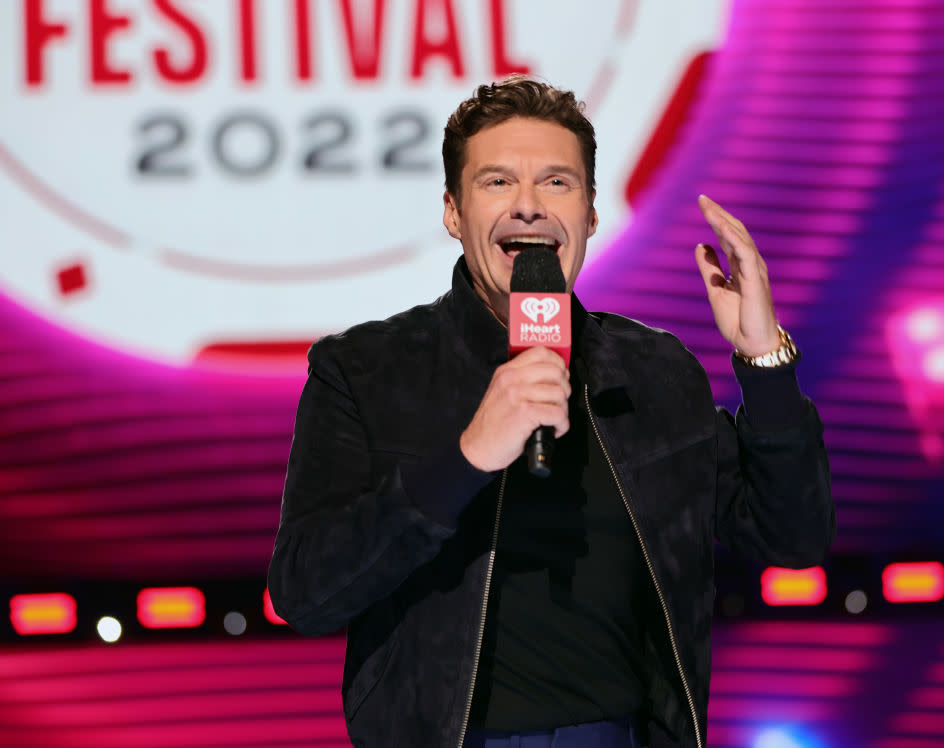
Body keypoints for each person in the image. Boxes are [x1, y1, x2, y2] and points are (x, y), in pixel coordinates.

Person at [268, 77, 834, 748]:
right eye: (497, 183)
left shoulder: (652, 368)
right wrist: (467, 456)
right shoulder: (365, 370)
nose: (529, 208)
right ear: (453, 212)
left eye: (558, 183)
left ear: (591, 215)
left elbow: (791, 538)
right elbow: (307, 592)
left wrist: (764, 359)